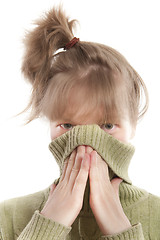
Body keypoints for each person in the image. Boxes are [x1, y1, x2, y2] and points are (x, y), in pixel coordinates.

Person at [0, 5, 159, 240]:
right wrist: (48, 226)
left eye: (107, 126)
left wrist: (121, 231)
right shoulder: (8, 217)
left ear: (133, 124)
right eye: (68, 126)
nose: (86, 145)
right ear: (50, 124)